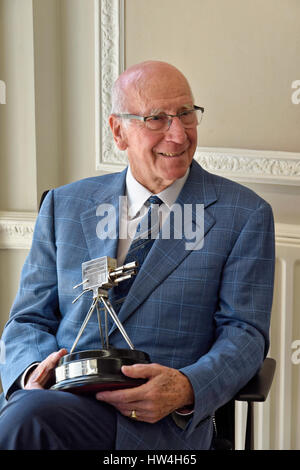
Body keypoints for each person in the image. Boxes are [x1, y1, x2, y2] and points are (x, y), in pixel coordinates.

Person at [0, 61, 275, 450]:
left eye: (185, 114)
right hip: (53, 400)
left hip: (152, 424)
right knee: (30, 417)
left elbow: (244, 335)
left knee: (26, 424)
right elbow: (28, 318)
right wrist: (32, 374)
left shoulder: (243, 214)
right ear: (118, 131)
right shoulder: (65, 205)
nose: (178, 135)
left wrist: (186, 388)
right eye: (157, 119)